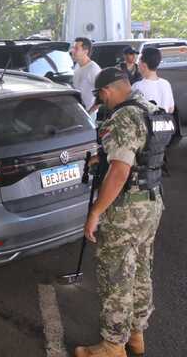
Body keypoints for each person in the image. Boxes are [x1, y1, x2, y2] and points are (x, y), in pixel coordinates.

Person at [75, 68, 173, 357]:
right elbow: (143, 155)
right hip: (152, 203)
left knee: (116, 275)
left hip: (126, 209)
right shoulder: (150, 109)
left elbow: (120, 172)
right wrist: (102, 158)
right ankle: (136, 336)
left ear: (108, 90)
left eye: (101, 95)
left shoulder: (123, 117)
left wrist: (95, 212)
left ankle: (112, 345)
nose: (102, 100)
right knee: (141, 269)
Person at [132, 47, 175, 113]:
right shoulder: (166, 83)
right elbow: (171, 108)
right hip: (166, 121)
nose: (137, 64)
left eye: (139, 61)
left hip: (147, 123)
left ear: (144, 65)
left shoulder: (137, 86)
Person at [72, 37, 101, 113]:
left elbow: (102, 94)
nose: (72, 51)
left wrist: (89, 112)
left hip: (88, 114)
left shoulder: (93, 69)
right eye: (73, 48)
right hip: (77, 111)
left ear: (85, 51)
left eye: (76, 49)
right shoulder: (77, 66)